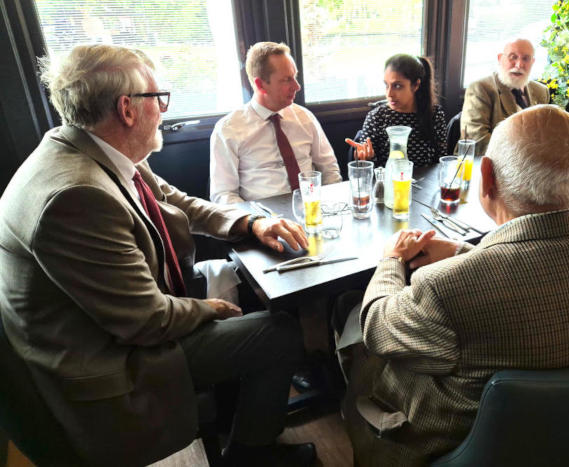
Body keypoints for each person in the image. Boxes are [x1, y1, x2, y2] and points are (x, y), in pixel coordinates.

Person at [0, 44, 316, 466]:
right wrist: (205, 308)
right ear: (127, 109)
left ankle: (236, 415)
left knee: (246, 285)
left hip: (126, 311)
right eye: (158, 98)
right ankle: (251, 453)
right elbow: (146, 321)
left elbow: (180, 202)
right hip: (110, 358)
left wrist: (251, 224)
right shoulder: (75, 196)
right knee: (277, 333)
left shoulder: (98, 148)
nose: (164, 110)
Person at [338, 105, 569, 466]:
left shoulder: (445, 289)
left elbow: (376, 327)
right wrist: (462, 252)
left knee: (352, 318)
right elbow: (537, 276)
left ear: (487, 176)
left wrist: (391, 258)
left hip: (458, 448)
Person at [210, 41, 341, 205]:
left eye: (295, 76)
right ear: (260, 84)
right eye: (287, 80)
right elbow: (223, 194)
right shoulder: (229, 129)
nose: (297, 86)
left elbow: (329, 170)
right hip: (263, 221)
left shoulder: (305, 117)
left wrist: (329, 207)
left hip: (312, 211)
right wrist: (257, 223)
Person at [345, 54, 448, 167]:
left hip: (426, 183)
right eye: (386, 85)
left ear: (415, 85)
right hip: (388, 182)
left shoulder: (434, 114)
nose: (389, 94)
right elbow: (368, 169)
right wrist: (366, 159)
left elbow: (440, 162)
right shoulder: (377, 117)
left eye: (397, 86)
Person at [461, 38, 549, 156]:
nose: (519, 65)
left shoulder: (541, 91)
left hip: (532, 166)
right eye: (513, 57)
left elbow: (545, 136)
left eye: (526, 58)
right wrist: (522, 159)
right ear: (500, 58)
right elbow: (476, 139)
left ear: (533, 62)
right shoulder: (481, 88)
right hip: (486, 163)